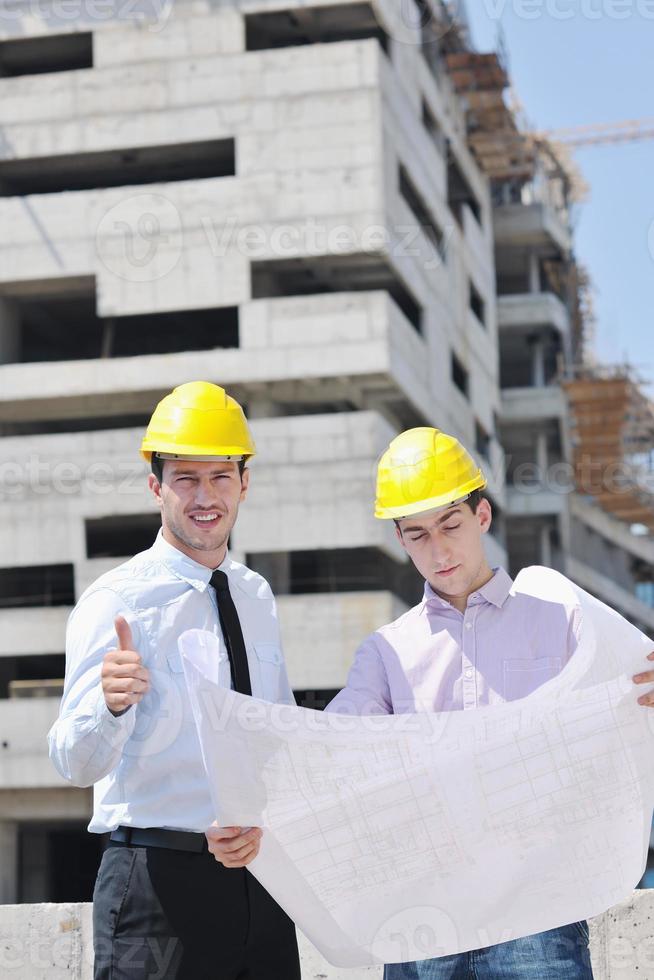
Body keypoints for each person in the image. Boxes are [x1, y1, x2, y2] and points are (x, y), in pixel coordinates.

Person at [327, 426, 654, 980]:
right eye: (417, 535)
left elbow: (626, 710)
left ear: (482, 516)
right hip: (424, 915)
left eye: (450, 525)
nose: (438, 549)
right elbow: (334, 748)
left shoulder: (562, 621)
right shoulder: (386, 652)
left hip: (539, 910)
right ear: (401, 540)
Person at [48, 381, 301, 980]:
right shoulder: (116, 600)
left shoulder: (256, 596)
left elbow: (277, 735)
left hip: (262, 882)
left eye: (220, 476)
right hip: (158, 887)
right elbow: (71, 762)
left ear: (245, 482)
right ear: (155, 485)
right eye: (185, 477)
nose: (205, 496)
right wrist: (109, 707)